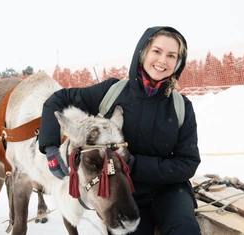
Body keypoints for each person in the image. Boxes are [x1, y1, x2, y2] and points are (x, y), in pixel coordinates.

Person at [39, 26, 201, 235]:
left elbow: (187, 163)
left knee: (185, 229)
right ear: (143, 52)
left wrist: (135, 164)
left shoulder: (181, 107)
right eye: (157, 51)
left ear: (178, 63)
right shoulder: (112, 92)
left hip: (169, 191)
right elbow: (57, 100)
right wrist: (50, 149)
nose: (162, 61)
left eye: (172, 56)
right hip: (120, 191)